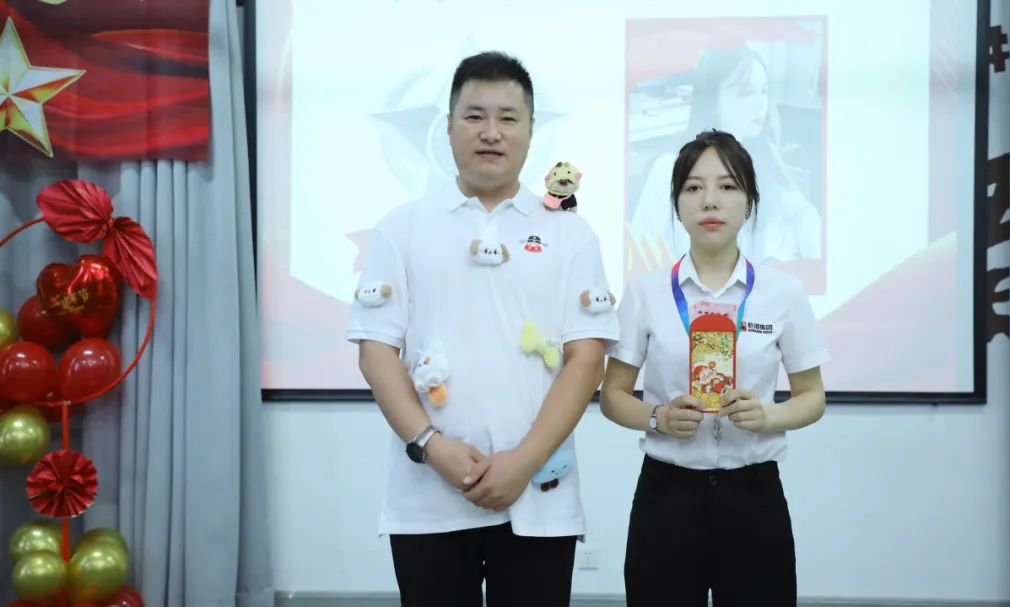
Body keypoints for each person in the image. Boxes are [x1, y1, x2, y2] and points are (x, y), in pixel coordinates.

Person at [345, 51, 618, 607]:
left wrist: (524, 460)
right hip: (428, 499)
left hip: (540, 497)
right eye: (474, 116)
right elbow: (376, 353)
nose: (491, 132)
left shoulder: (570, 235)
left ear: (531, 130)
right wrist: (431, 446)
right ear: (448, 127)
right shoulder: (402, 228)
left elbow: (587, 358)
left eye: (507, 118)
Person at [602, 129, 828, 606]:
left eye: (727, 186)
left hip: (754, 494)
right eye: (693, 187)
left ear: (749, 203)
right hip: (667, 493)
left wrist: (767, 415)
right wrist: (658, 418)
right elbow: (613, 395)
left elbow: (813, 397)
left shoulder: (784, 293)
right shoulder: (645, 293)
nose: (710, 200)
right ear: (677, 204)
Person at [629, 45, 822, 268]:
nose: (760, 104)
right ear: (713, 100)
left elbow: (801, 212)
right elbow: (642, 255)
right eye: (746, 92)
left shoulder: (764, 156)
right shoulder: (669, 169)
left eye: (764, 91)